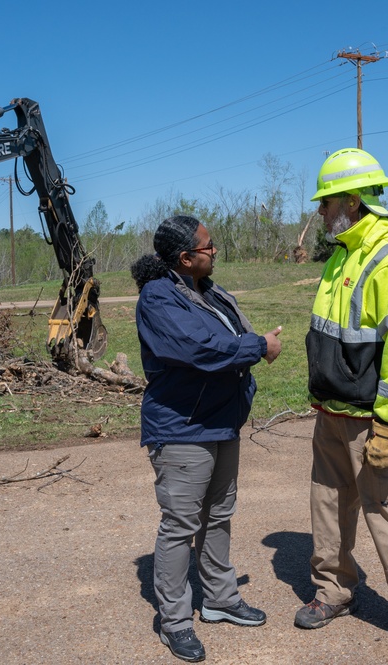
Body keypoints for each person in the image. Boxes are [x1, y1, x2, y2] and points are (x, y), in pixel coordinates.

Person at [295, 148, 388, 661]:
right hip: (331, 414)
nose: (320, 213)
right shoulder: (341, 255)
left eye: (327, 202)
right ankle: (334, 589)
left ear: (352, 202)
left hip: (372, 423)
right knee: (328, 507)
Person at [131, 215, 283, 663]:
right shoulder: (159, 298)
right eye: (208, 247)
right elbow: (198, 349)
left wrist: (250, 346)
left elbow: (227, 338)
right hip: (182, 428)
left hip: (220, 423)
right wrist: (258, 347)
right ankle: (175, 621)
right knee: (181, 526)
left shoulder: (207, 291)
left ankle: (220, 599)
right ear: (185, 257)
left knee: (218, 516)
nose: (214, 252)